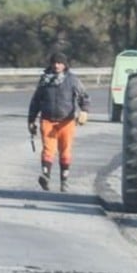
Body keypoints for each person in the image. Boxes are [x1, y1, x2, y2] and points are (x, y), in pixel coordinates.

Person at [27, 52, 90, 192]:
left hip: (66, 121)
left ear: (65, 65)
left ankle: (64, 181)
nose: (57, 65)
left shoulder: (72, 80)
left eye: (60, 63)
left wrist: (84, 111)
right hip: (47, 120)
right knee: (48, 149)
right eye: (54, 62)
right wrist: (31, 120)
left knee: (65, 151)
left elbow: (84, 96)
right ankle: (46, 176)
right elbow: (36, 101)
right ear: (50, 64)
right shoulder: (44, 80)